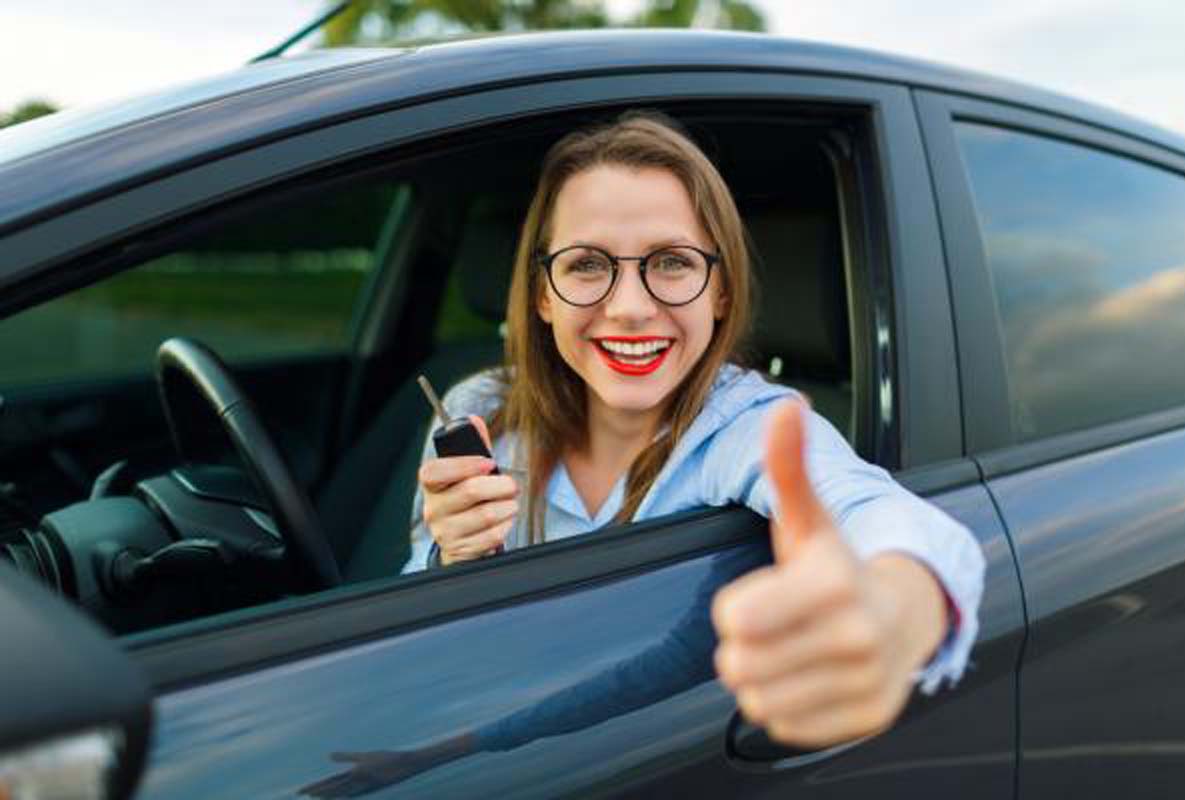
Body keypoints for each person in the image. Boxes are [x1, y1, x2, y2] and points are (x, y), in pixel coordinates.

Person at [402, 111, 984, 749]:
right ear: (544, 294)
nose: (628, 307)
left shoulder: (751, 425)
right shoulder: (477, 408)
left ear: (722, 292)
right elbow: (410, 636)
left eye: (672, 262)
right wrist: (449, 557)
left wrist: (894, 612)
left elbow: (878, 512)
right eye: (588, 265)